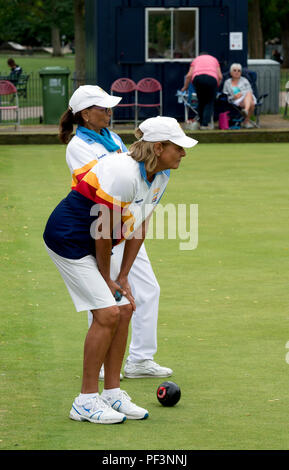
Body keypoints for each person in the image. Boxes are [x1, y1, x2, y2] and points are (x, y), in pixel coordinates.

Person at [43, 115, 198, 424]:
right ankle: (85, 400)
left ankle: (112, 393)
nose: (183, 153)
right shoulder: (122, 173)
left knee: (125, 308)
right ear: (158, 147)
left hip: (98, 239)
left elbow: (139, 226)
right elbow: (102, 233)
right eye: (178, 147)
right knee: (108, 313)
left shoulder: (161, 175)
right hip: (68, 239)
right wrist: (106, 277)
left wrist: (123, 275)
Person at [59, 85, 174, 380]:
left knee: (148, 289)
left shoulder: (113, 137)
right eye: (103, 108)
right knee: (103, 294)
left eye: (110, 108)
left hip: (129, 223)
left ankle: (140, 359)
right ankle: (99, 363)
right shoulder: (78, 146)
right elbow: (101, 185)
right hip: (102, 226)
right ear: (85, 114)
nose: (110, 112)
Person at [181, 52, 223, 130]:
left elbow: (189, 75)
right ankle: (205, 124)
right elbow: (220, 76)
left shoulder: (196, 60)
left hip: (198, 79)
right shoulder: (214, 60)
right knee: (209, 102)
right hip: (212, 79)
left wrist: (185, 87)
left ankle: (200, 122)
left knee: (201, 101)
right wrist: (216, 87)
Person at [222, 63, 256, 129]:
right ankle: (246, 122)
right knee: (252, 104)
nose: (237, 72)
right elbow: (225, 94)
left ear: (241, 72)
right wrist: (234, 97)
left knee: (249, 93)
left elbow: (250, 90)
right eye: (234, 70)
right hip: (235, 100)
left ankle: (245, 110)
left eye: (239, 71)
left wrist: (241, 94)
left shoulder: (245, 80)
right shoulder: (227, 82)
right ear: (231, 72)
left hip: (247, 97)